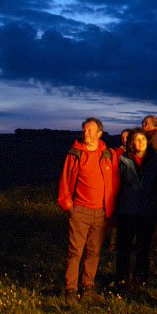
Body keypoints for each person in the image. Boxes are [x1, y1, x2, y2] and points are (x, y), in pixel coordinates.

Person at [57, 117, 120, 304]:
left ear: (99, 133)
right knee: (75, 251)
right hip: (80, 211)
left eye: (90, 130)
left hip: (101, 213)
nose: (85, 133)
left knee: (94, 252)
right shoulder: (75, 153)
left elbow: (114, 182)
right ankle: (70, 290)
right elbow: (65, 179)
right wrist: (68, 205)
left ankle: (88, 288)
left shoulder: (108, 154)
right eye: (84, 130)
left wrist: (111, 209)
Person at [114, 128, 157, 289]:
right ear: (131, 143)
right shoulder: (123, 160)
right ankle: (122, 278)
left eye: (142, 139)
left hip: (148, 210)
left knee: (144, 247)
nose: (140, 142)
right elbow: (117, 184)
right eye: (136, 139)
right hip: (127, 209)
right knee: (124, 247)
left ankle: (140, 278)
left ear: (147, 141)